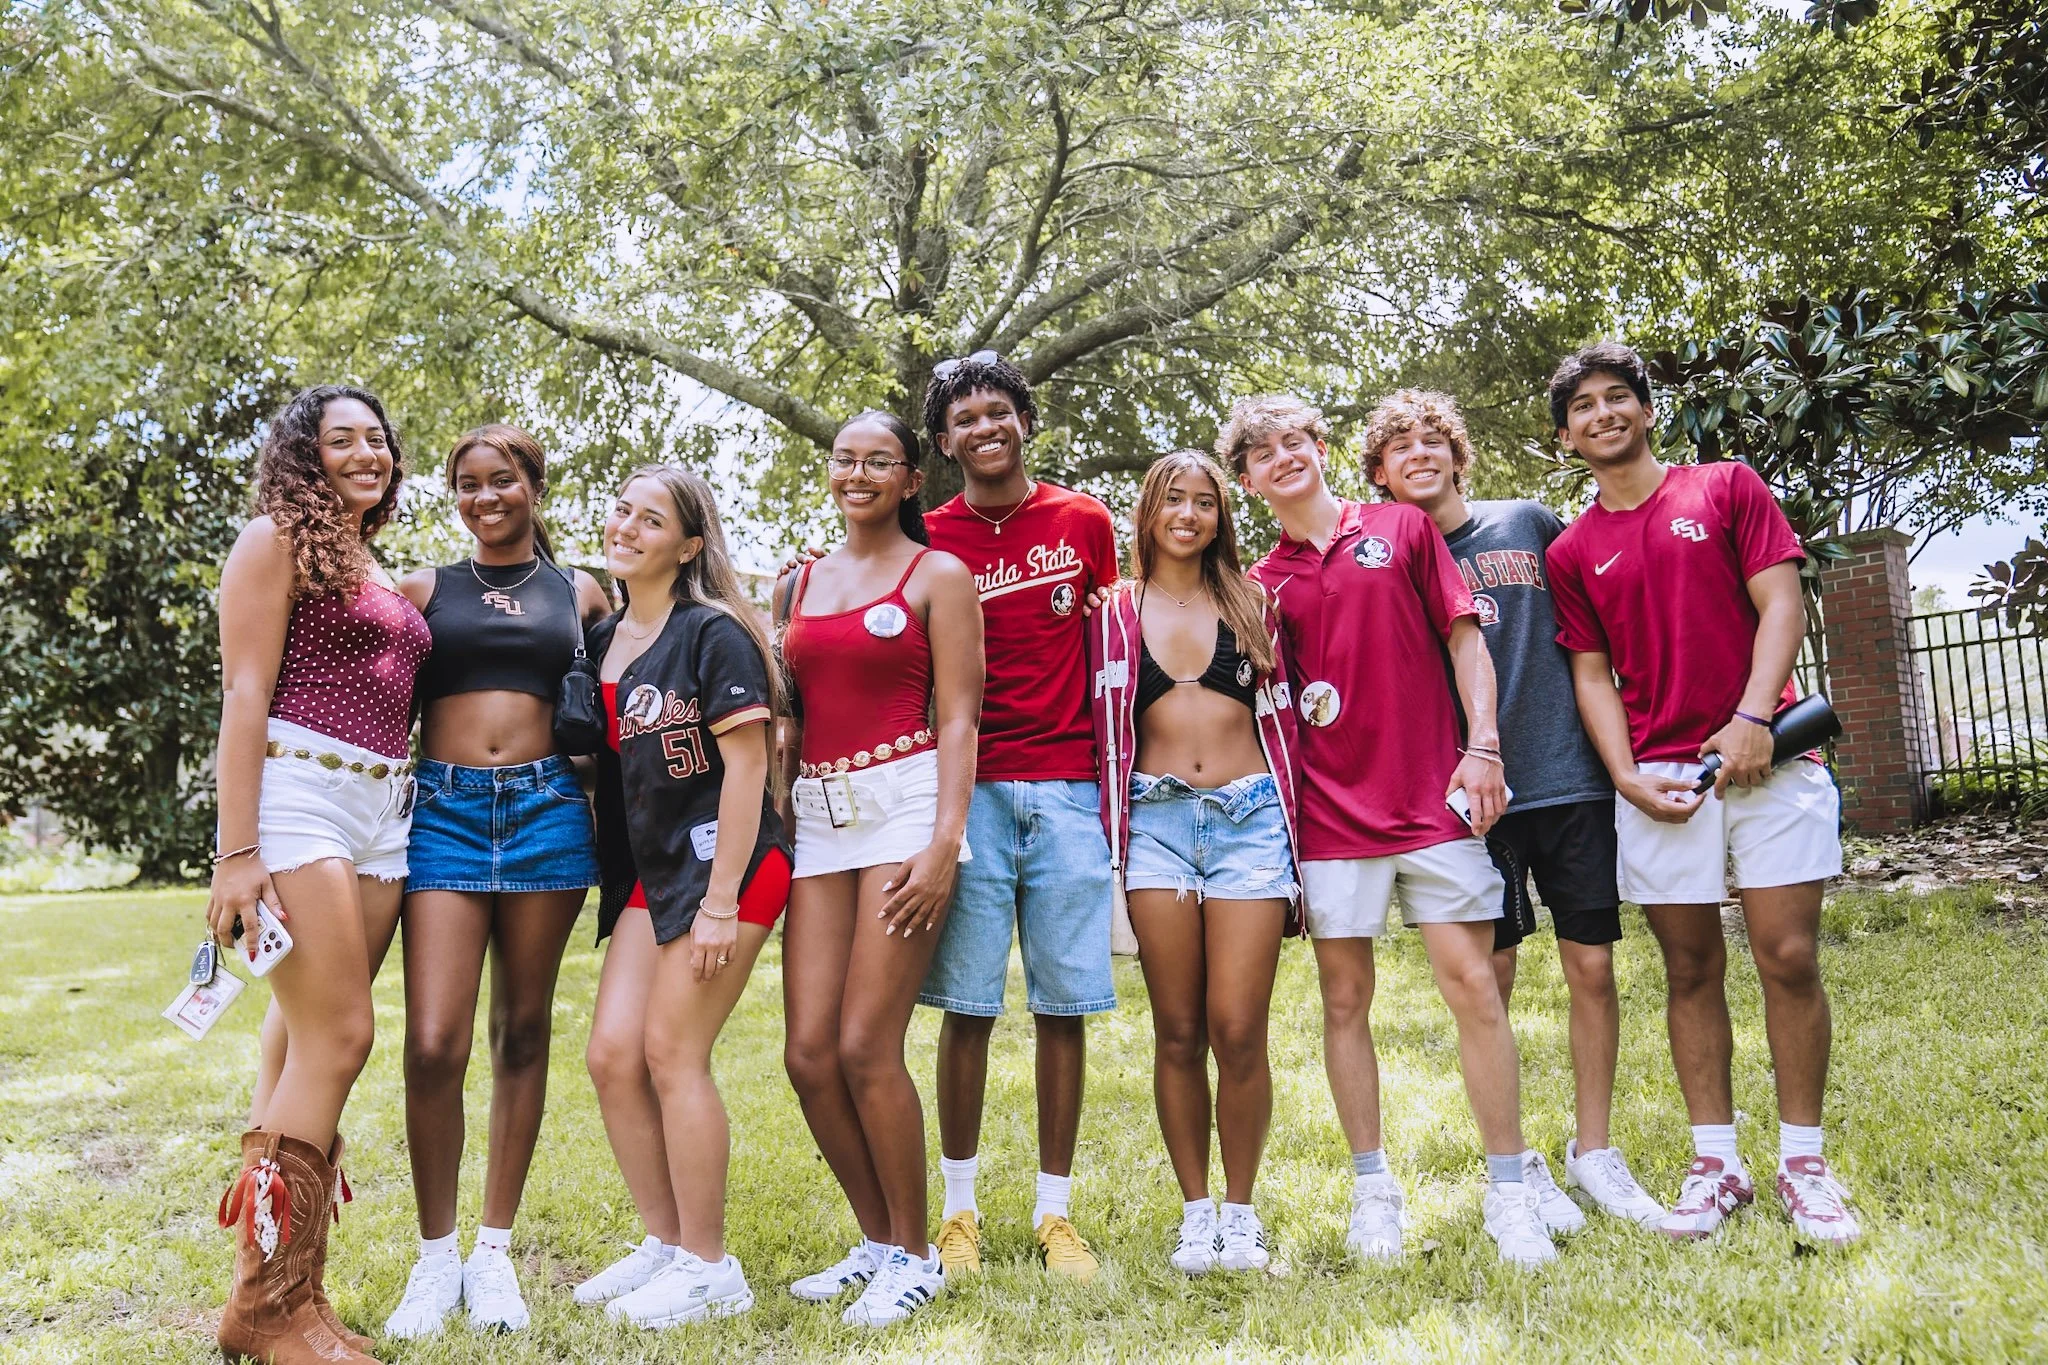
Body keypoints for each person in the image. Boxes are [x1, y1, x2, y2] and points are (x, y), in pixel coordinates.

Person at [1226, 393, 1557, 1268]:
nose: (1283, 457)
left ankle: (1510, 1194)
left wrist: (1482, 748)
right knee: (1345, 1002)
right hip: (1333, 823)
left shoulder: (1402, 530)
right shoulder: (1261, 587)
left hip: (1432, 802)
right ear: (1251, 481)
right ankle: (1375, 1192)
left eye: (1295, 440)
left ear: (1322, 448)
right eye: (1263, 453)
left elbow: (1466, 641)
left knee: (1474, 988)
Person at [1543, 342, 1858, 1246]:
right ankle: (1716, 1163)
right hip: (1662, 776)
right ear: (1567, 438)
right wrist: (1624, 776)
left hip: (1770, 756)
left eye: (1618, 398)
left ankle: (1806, 1163)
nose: (1603, 414)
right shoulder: (1572, 550)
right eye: (1584, 408)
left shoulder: (1724, 487)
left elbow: (1782, 600)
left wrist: (1755, 717)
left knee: (1788, 956)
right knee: (1689, 968)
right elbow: (1593, 675)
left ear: (1646, 411)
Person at [1361, 390, 1665, 1229]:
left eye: (1433, 439)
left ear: (1458, 454)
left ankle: (1594, 1149)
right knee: (1488, 979)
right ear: (1379, 474)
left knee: (1593, 967)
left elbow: (1596, 628)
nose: (1419, 453)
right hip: (1470, 803)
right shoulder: (1383, 562)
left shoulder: (1527, 521)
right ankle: (1517, 1160)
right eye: (1399, 446)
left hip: (1567, 778)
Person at [207, 384, 430, 1364]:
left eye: (376, 439)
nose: (365, 453)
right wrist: (236, 852)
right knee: (341, 1034)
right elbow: (245, 694)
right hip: (300, 796)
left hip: (383, 811)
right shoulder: (271, 541)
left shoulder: (370, 559)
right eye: (342, 440)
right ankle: (269, 1307)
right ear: (305, 454)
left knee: (297, 1034)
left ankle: (292, 1294)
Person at [382, 426, 613, 1339]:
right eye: (469, 485)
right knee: (434, 1040)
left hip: (549, 811)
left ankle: (492, 1250)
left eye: (502, 481)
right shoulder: (422, 590)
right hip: (441, 813)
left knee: (521, 1029)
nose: (486, 497)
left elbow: (626, 697)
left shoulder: (580, 590)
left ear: (533, 486)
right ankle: (435, 1258)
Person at [572, 466, 794, 1327]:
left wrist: (720, 904)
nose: (626, 525)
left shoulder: (716, 635)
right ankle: (665, 1244)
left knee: (672, 1052)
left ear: (689, 545)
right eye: (620, 507)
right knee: (610, 1055)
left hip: (728, 869)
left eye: (650, 518)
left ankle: (711, 1267)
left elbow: (748, 769)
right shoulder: (604, 638)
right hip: (650, 873)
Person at [775, 411, 983, 1327]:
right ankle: (876, 1241)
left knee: (866, 1045)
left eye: (878, 461)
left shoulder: (937, 573)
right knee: (808, 1054)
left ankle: (918, 1254)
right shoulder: (799, 580)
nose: (857, 472)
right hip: (820, 816)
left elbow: (960, 719)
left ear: (910, 479)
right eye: (844, 459)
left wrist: (944, 840)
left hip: (904, 807)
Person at [915, 353, 1120, 1281]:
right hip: (970, 791)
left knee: (1062, 1004)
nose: (984, 429)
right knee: (966, 1005)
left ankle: (1054, 1213)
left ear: (1025, 420)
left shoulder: (1083, 521)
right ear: (945, 440)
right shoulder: (927, 533)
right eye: (964, 419)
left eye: (999, 411)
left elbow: (1116, 649)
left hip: (1071, 786)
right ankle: (957, 1214)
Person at [1088, 450, 1302, 1275]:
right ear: (1148, 510)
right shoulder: (1109, 612)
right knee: (1177, 1031)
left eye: (1204, 501)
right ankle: (1196, 1212)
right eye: (1173, 498)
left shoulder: (1254, 602)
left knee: (1238, 1028)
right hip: (1155, 825)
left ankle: (1241, 1215)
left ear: (1221, 515)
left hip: (1251, 821)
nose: (1188, 512)